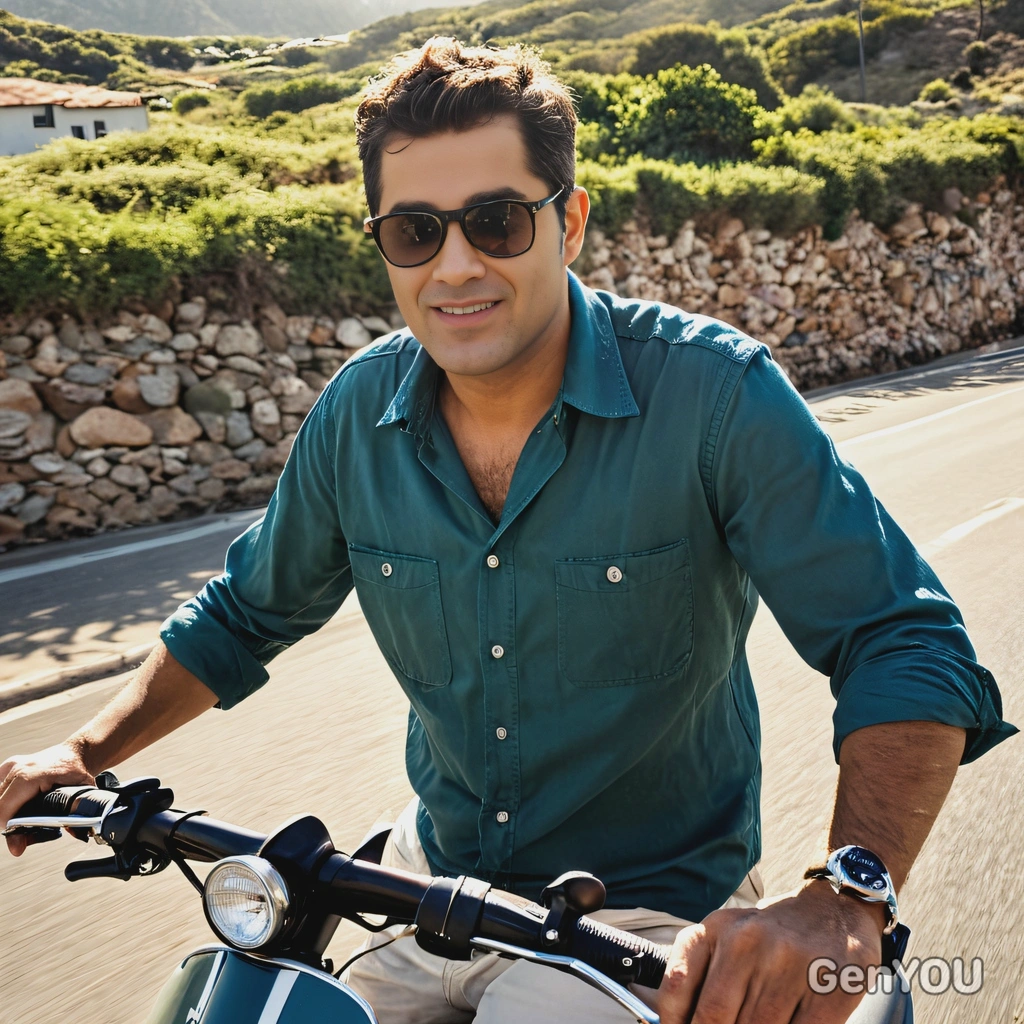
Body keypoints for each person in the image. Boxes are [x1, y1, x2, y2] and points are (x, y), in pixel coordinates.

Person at [0, 37, 1015, 1024]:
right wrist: (84, 750)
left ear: (567, 222)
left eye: (495, 221)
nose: (454, 266)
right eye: (415, 231)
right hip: (424, 892)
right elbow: (243, 612)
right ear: (382, 246)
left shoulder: (714, 397)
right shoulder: (357, 417)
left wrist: (848, 893)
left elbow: (903, 640)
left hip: (644, 911)